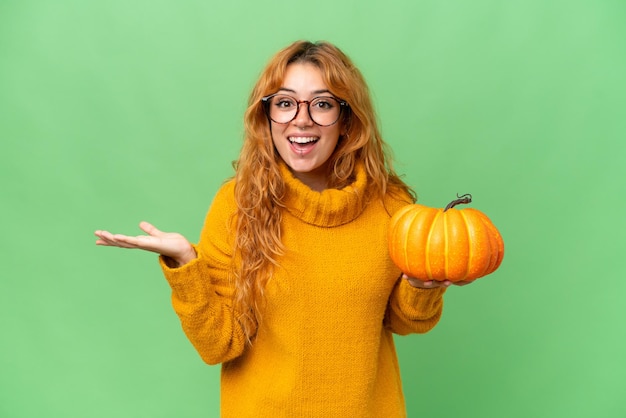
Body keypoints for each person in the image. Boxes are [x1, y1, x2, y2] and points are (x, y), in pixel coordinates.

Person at [95, 40, 463, 417]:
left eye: (322, 104)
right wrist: (186, 265)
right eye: (285, 103)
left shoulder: (393, 206)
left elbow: (404, 323)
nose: (300, 120)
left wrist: (421, 285)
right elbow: (219, 345)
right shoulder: (237, 204)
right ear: (266, 116)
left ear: (347, 118)